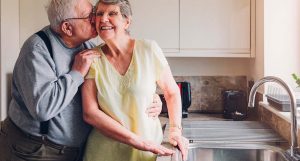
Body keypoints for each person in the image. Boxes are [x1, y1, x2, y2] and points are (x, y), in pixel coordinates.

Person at [0, 0, 162, 160]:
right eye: (89, 15)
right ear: (67, 27)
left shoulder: (87, 46)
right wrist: (76, 73)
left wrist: (151, 99)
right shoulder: (37, 50)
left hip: (77, 150)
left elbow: (111, 93)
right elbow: (43, 109)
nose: (96, 19)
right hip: (35, 150)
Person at [81, 0, 189, 161]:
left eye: (112, 13)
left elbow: (171, 92)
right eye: (99, 13)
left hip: (147, 153)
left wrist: (175, 130)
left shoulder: (148, 49)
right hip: (104, 154)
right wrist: (139, 142)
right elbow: (90, 113)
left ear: (127, 21)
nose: (103, 19)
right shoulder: (91, 58)